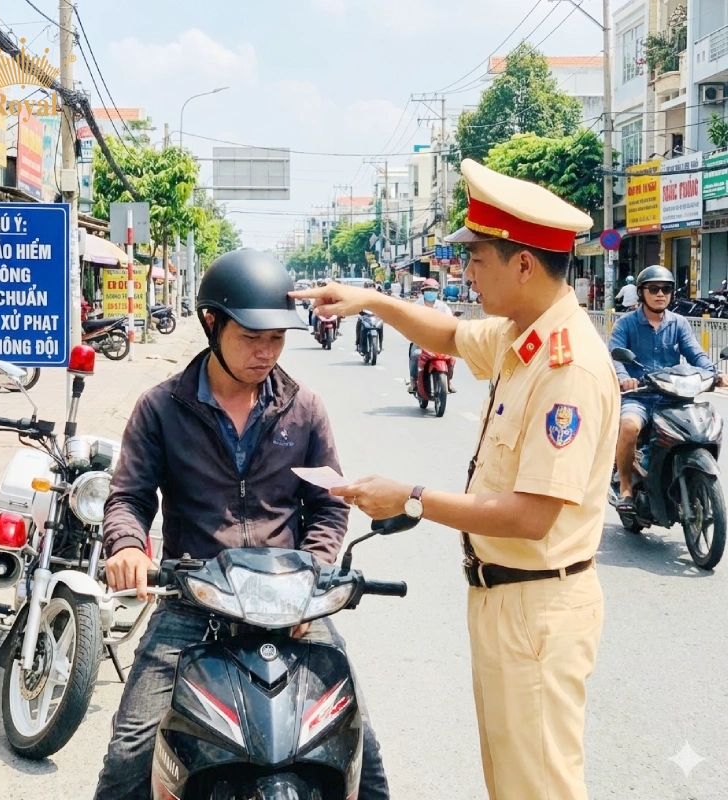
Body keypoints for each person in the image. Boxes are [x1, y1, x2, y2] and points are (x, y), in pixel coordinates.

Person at [292, 158, 620, 800]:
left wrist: (411, 498)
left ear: (523, 264)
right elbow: (447, 332)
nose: (467, 270)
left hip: (538, 608)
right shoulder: (523, 333)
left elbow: (532, 515)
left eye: (478, 258)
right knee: (512, 785)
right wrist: (372, 301)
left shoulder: (567, 368)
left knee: (541, 789)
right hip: (505, 601)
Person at [95, 249, 390, 800]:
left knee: (360, 749)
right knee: (128, 752)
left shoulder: (303, 408)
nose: (265, 353)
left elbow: (328, 506)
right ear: (212, 323)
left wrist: (315, 578)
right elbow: (129, 497)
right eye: (252, 338)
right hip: (192, 601)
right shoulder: (160, 408)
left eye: (276, 339)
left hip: (292, 605)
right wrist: (129, 546)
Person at [609, 264, 727, 513]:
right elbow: (616, 358)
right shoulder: (626, 324)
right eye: (654, 289)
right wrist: (624, 378)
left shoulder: (679, 324)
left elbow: (696, 355)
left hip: (673, 396)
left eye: (667, 289)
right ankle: (626, 489)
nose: (661, 294)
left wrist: (716, 375)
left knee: (700, 427)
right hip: (638, 396)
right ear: (642, 293)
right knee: (629, 426)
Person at [408, 278, 456, 393]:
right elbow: (409, 320)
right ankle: (413, 381)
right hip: (420, 341)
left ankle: (448, 380)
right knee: (415, 355)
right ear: (423, 292)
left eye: (433, 290)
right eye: (428, 290)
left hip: (438, 341)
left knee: (452, 358)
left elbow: (451, 321)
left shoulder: (443, 307)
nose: (430, 292)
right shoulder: (416, 306)